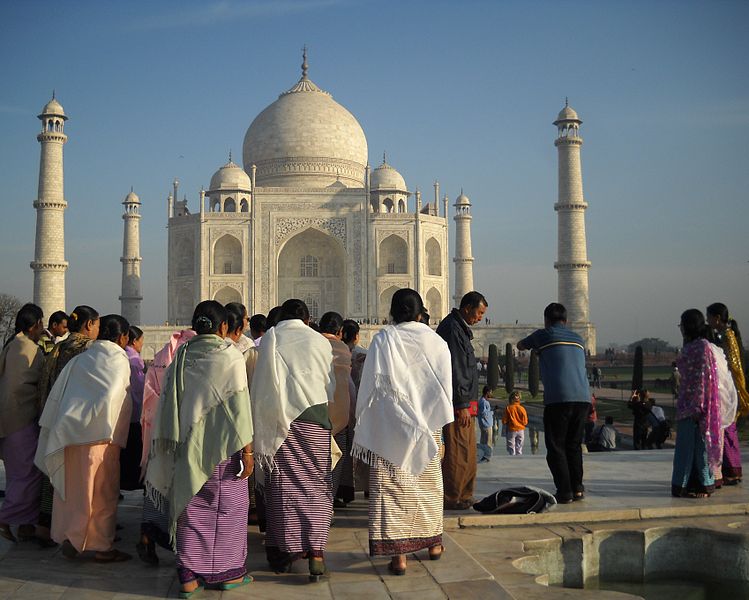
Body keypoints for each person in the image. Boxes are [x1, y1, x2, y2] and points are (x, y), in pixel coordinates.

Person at [145, 301, 254, 597]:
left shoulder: (181, 354)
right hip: (223, 447)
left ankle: (189, 575)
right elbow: (239, 407)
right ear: (222, 327)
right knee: (229, 508)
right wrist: (247, 451)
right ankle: (225, 572)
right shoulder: (229, 355)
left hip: (185, 445)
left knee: (190, 507)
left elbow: (169, 401)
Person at [352, 288, 453, 576]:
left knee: (393, 492)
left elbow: (371, 386)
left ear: (393, 313)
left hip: (391, 427)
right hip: (428, 427)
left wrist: (369, 424)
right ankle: (433, 544)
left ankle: (399, 557)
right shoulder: (436, 342)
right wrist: (440, 431)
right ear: (421, 314)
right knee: (428, 487)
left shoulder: (384, 338)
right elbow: (442, 389)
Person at [35, 314, 133, 562]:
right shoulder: (117, 359)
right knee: (101, 494)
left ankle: (72, 537)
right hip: (100, 437)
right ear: (122, 337)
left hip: (70, 434)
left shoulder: (83, 358)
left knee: (75, 492)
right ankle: (101, 547)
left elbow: (60, 393)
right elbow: (114, 395)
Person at [251, 299, 335, 581]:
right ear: (308, 319)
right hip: (317, 422)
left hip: (282, 423)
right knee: (317, 486)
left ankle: (285, 551)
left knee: (283, 487)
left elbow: (262, 385)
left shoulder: (272, 338)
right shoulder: (320, 341)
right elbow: (329, 385)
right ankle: (317, 551)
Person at [517, 303, 591, 504]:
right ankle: (578, 489)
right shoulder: (578, 339)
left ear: (547, 320)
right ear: (565, 321)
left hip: (559, 398)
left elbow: (520, 345)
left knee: (556, 446)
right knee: (574, 445)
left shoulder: (544, 334)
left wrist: (536, 348)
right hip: (583, 397)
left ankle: (564, 491)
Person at [37, 305, 100, 537]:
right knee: (74, 477)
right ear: (89, 325)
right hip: (76, 421)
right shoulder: (90, 350)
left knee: (51, 473)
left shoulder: (59, 347)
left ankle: (44, 526)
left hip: (54, 415)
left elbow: (46, 382)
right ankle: (73, 530)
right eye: (97, 325)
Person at [137, 325, 196, 565]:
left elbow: (149, 395)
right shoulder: (193, 355)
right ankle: (185, 545)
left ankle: (147, 536)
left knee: (157, 485)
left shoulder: (164, 355)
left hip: (158, 430)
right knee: (184, 491)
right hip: (183, 431)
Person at [0, 304, 48, 545]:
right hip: (20, 419)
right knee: (27, 475)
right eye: (41, 323)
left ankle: (25, 525)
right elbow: (20, 388)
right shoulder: (26, 348)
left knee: (19, 475)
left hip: (10, 420)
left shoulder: (13, 344)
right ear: (34, 325)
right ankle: (5, 518)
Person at [435, 291, 487, 510]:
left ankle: (464, 494)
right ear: (467, 308)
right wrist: (462, 404)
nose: (481, 317)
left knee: (468, 450)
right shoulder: (452, 329)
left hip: (465, 401)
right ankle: (453, 496)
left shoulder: (460, 329)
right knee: (458, 450)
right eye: (480, 312)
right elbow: (456, 369)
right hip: (459, 403)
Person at [671, 309, 723, 498]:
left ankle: (704, 486)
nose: (681, 328)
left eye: (682, 324)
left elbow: (704, 379)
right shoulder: (693, 346)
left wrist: (698, 406)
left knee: (700, 450)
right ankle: (685, 486)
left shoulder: (701, 347)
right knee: (685, 449)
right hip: (687, 405)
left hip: (698, 407)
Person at [707, 303, 749, 485]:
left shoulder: (728, 335)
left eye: (709, 317)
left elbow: (734, 365)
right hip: (728, 386)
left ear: (717, 317)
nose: (707, 320)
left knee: (728, 429)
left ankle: (732, 470)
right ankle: (731, 470)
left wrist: (731, 387)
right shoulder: (724, 334)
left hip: (729, 387)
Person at [318, 311, 355, 506]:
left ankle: (317, 502)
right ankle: (328, 501)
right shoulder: (342, 348)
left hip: (315, 414)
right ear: (340, 331)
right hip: (339, 414)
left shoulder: (312, 344)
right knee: (336, 459)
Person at [120, 326, 145, 492]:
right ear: (134, 341)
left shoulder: (121, 356)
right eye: (142, 341)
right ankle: (131, 482)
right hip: (134, 415)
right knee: (133, 452)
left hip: (121, 415)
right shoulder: (134, 360)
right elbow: (139, 389)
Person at [502, 390, 529, 456]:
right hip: (521, 430)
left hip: (511, 429)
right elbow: (525, 422)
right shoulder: (522, 409)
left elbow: (504, 420)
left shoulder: (508, 408)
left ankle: (512, 460)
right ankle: (519, 461)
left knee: (511, 448)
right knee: (519, 448)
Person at [478, 386, 494, 454]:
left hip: (484, 424)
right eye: (490, 392)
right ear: (487, 392)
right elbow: (484, 414)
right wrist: (492, 412)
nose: (491, 394)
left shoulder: (482, 400)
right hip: (486, 425)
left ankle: (482, 454)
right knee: (488, 442)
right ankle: (486, 455)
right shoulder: (484, 402)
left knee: (483, 441)